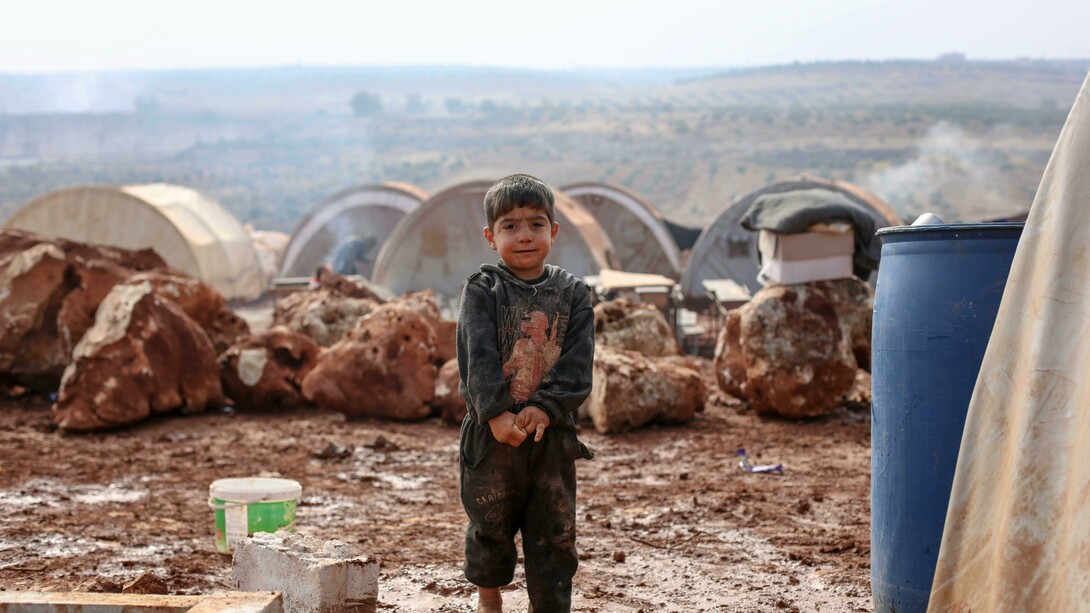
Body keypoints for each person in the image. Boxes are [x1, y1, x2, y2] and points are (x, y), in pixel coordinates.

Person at [457, 173, 595, 613]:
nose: (525, 236)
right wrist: (496, 413)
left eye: (536, 224)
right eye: (510, 226)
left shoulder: (573, 295)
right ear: (490, 236)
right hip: (491, 434)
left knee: (555, 530)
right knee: (490, 522)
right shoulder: (483, 290)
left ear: (554, 231)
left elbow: (576, 365)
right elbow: (475, 357)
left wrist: (544, 406)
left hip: (551, 437)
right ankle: (489, 597)